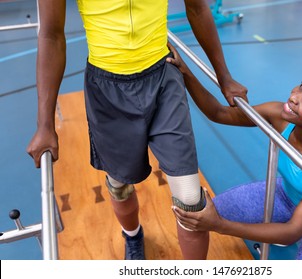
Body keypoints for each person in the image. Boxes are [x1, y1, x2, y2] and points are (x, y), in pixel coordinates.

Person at [26, 0, 248, 260]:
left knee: (191, 201)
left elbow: (197, 8)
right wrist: (44, 124)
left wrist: (225, 78)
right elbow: (51, 35)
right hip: (107, 90)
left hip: (163, 76)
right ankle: (132, 235)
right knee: (119, 185)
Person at [167, 44, 302, 260]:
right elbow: (219, 113)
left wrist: (220, 225)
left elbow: (292, 232)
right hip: (286, 194)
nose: (294, 96)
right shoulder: (280, 115)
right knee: (199, 216)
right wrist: (185, 71)